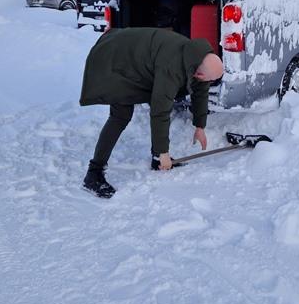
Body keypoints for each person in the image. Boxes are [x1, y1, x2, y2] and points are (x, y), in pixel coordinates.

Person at [79, 27, 224, 198]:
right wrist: (164, 153)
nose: (210, 83)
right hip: (115, 60)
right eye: (209, 79)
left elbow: (201, 90)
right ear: (199, 73)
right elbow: (160, 110)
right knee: (120, 116)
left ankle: (157, 158)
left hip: (135, 58)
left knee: (152, 101)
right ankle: (93, 173)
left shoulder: (197, 58)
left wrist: (200, 126)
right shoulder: (172, 66)